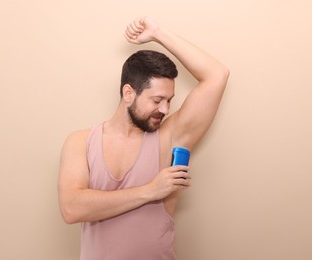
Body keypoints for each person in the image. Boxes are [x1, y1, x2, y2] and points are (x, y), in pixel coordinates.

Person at [58, 17, 229, 260]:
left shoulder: (170, 138)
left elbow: (217, 75)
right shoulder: (79, 142)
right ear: (128, 93)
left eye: (169, 100)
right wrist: (151, 190)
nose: (165, 109)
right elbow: (71, 208)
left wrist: (158, 33)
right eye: (157, 100)